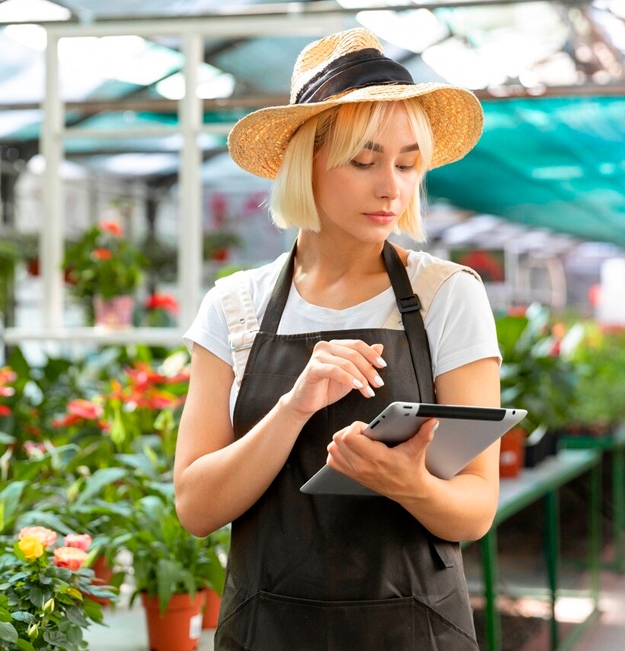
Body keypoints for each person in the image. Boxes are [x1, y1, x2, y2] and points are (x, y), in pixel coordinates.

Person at [175, 28, 502, 649]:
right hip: (267, 628)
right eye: (365, 160)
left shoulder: (446, 296)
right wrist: (294, 406)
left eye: (407, 163)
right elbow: (196, 507)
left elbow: (477, 508)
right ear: (308, 164)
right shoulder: (234, 307)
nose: (392, 187)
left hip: (411, 629)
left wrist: (410, 483)